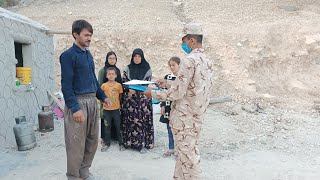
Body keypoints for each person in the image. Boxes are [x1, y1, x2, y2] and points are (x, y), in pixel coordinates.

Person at [144, 22, 214, 179]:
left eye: (184, 41)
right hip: (197, 117)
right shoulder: (207, 61)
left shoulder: (189, 61)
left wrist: (153, 94)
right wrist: (167, 83)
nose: (183, 44)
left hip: (184, 119)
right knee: (183, 156)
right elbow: (193, 86)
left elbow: (176, 94)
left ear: (191, 41)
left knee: (189, 159)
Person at [60, 19, 111, 180]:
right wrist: (75, 108)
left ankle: (84, 172)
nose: (89, 38)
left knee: (92, 140)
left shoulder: (88, 55)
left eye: (91, 35)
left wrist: (103, 97)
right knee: (76, 143)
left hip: (92, 102)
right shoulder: (68, 56)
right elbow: (66, 85)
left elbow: (93, 81)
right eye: (86, 35)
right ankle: (73, 176)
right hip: (78, 102)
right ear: (76, 35)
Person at [122, 48, 154, 154]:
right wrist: (129, 89)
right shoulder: (127, 68)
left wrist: (137, 90)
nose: (137, 58)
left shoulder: (147, 68)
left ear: (142, 57)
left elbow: (147, 83)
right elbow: (124, 81)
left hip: (142, 99)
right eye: (135, 56)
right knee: (130, 120)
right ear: (132, 57)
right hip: (130, 99)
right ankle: (129, 142)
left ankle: (143, 143)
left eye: (139, 56)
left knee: (142, 120)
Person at [98, 51, 122, 146]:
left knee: (117, 122)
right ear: (107, 59)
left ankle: (116, 138)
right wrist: (102, 99)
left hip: (115, 102)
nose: (112, 60)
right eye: (110, 58)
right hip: (105, 101)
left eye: (114, 58)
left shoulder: (118, 70)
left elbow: (120, 87)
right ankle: (106, 140)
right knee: (106, 122)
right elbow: (99, 85)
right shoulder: (102, 71)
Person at [159, 57, 180, 158]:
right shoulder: (167, 77)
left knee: (178, 129)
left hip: (178, 107)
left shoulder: (182, 78)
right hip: (168, 107)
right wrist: (162, 105)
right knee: (169, 128)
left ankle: (178, 151)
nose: (172, 67)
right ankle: (171, 148)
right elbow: (163, 92)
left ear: (179, 65)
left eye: (174, 65)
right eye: (170, 65)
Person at [100, 67, 125, 151]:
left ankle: (121, 143)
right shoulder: (103, 86)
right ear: (106, 75)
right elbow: (100, 97)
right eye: (109, 74)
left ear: (116, 75)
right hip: (106, 110)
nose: (111, 76)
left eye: (113, 74)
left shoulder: (118, 85)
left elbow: (120, 96)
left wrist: (119, 105)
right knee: (107, 127)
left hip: (116, 110)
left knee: (118, 126)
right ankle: (107, 143)